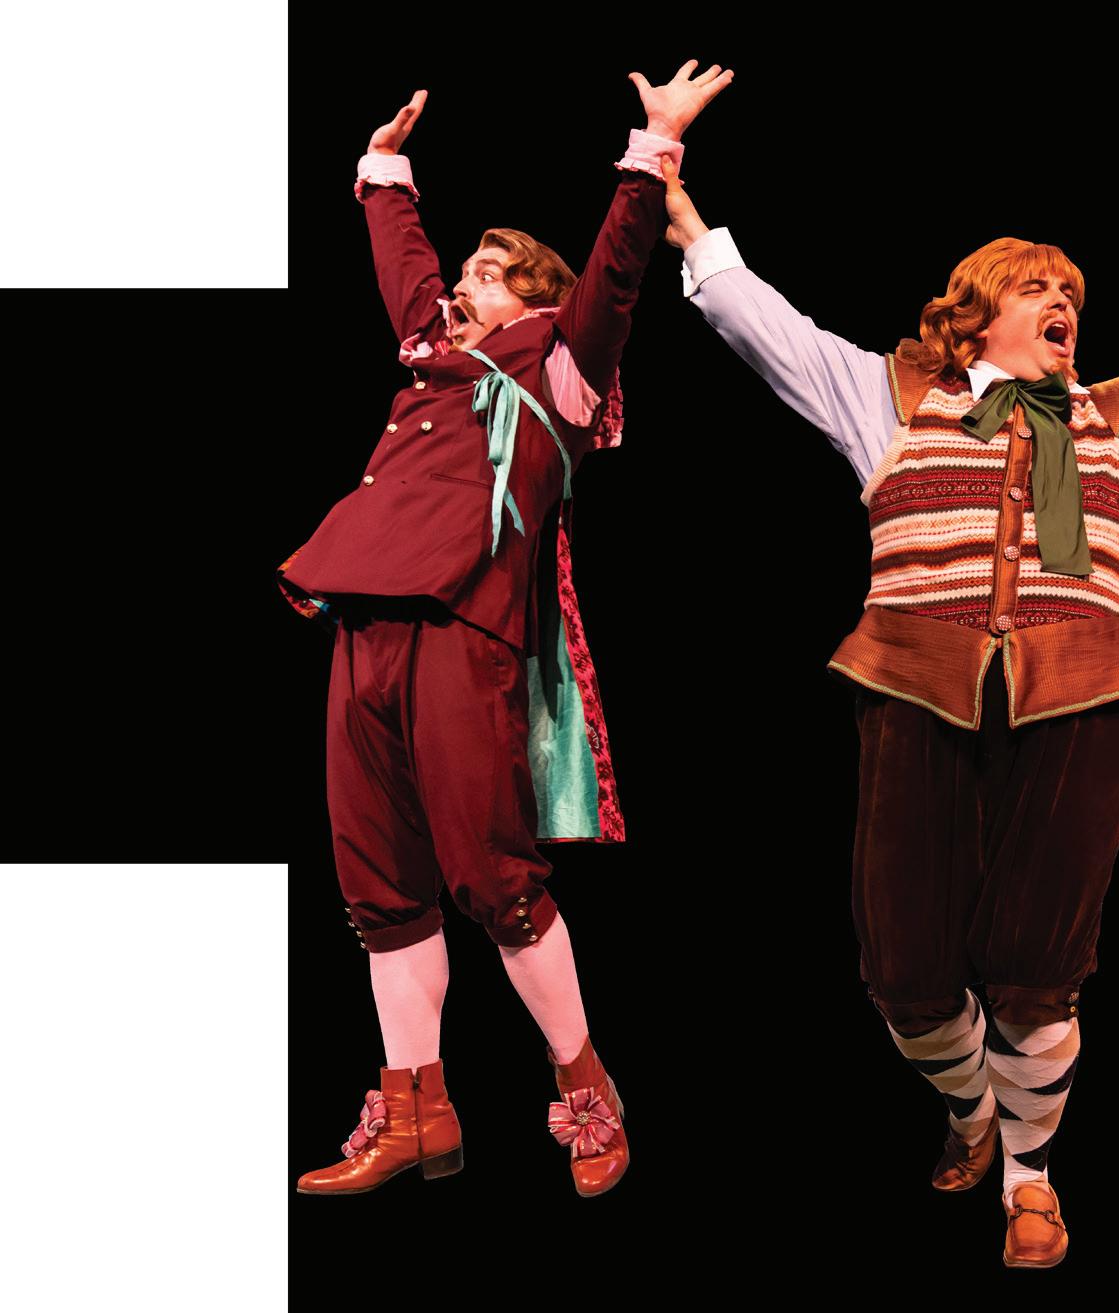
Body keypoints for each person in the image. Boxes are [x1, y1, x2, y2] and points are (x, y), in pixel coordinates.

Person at [655, 135, 1119, 1265]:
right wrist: (683, 218)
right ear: (972, 319)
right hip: (915, 683)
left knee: (1038, 967)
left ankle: (1030, 1175)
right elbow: (766, 326)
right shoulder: (893, 398)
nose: (1063, 305)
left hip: (1084, 692)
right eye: (1036, 289)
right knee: (904, 970)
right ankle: (970, 1109)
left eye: (1072, 296)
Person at [282, 61, 732, 1198]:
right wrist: (386, 173)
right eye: (465, 272)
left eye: (485, 275)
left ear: (533, 299)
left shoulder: (562, 362)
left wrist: (652, 152)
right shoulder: (436, 357)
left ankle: (586, 1085)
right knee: (377, 882)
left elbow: (615, 275)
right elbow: (406, 274)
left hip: (464, 627)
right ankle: (414, 1110)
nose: (457, 289)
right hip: (363, 618)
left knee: (493, 875)